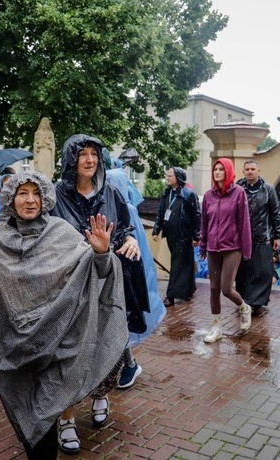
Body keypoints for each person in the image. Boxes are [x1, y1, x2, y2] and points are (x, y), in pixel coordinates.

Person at [0, 171, 128, 459]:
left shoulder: (62, 233)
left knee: (43, 416)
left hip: (59, 344)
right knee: (27, 416)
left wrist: (102, 254)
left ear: (44, 198)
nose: (30, 200)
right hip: (16, 350)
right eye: (22, 193)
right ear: (11, 199)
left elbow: (97, 274)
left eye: (35, 193)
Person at [50, 134, 143, 453]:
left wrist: (129, 240)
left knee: (111, 343)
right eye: (82, 154)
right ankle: (65, 417)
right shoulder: (56, 196)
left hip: (108, 281)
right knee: (68, 352)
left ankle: (102, 395)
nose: (89, 160)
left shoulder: (111, 192)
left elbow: (127, 227)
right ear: (70, 159)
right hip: (70, 286)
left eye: (94, 154)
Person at [105, 155, 166, 389]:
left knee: (121, 316)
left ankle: (129, 364)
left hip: (124, 269)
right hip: (112, 266)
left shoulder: (124, 209)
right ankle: (124, 364)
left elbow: (134, 247)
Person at [198, 158, 253, 343]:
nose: (217, 172)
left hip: (232, 248)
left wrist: (246, 250)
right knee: (213, 289)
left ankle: (244, 308)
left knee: (226, 289)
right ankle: (216, 328)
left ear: (228, 171)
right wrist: (203, 245)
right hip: (213, 247)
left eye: (221, 169)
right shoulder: (208, 196)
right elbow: (204, 224)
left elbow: (244, 223)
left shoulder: (239, 193)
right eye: (215, 169)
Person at [236, 160, 280, 314]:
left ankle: (256, 303)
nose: (250, 172)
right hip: (241, 238)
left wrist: (277, 236)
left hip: (262, 237)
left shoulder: (268, 190)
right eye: (247, 169)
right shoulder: (238, 188)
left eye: (252, 169)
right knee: (242, 272)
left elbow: (276, 213)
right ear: (243, 172)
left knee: (262, 272)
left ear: (258, 170)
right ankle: (243, 301)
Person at [152, 167, 201, 307]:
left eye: (170, 176)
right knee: (184, 262)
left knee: (177, 264)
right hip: (171, 235)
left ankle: (171, 295)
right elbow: (161, 212)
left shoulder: (188, 194)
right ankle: (190, 288)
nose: (167, 178)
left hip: (184, 235)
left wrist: (196, 236)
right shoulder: (167, 193)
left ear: (178, 178)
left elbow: (197, 216)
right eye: (167, 175)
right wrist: (156, 230)